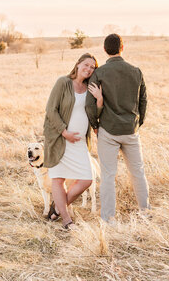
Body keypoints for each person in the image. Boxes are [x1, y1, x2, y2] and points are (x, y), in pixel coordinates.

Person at [85, 34, 149, 223]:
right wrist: (137, 123)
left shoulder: (99, 73)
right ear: (123, 47)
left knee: (108, 176)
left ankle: (108, 218)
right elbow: (143, 100)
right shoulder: (136, 71)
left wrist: (95, 125)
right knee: (138, 172)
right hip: (130, 130)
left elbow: (90, 104)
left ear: (105, 49)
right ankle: (145, 212)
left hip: (108, 131)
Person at [43, 53, 103, 229]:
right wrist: (64, 132)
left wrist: (99, 99)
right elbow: (51, 110)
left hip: (79, 143)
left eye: (93, 67)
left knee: (87, 179)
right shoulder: (63, 83)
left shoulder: (90, 88)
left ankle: (57, 208)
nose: (89, 69)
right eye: (86, 65)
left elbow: (94, 115)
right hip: (60, 139)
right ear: (77, 65)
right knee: (58, 179)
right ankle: (66, 220)